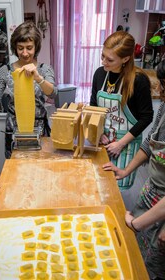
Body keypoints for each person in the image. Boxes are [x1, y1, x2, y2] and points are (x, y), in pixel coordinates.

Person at [103, 59, 165, 279]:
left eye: (164, 85)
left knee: (155, 266)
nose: (159, 90)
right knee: (137, 256)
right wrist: (126, 170)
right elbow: (150, 143)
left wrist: (137, 223)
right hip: (152, 192)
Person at [0, 21, 57, 158]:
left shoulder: (44, 69)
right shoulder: (5, 71)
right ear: (15, 48)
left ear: (36, 47)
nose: (25, 53)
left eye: (29, 48)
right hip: (14, 132)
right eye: (20, 48)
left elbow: (52, 93)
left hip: (39, 130)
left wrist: (38, 78)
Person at [90, 31, 154, 190]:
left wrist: (120, 144)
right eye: (102, 56)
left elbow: (147, 117)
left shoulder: (138, 80)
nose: (104, 62)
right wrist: (99, 132)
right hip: (102, 141)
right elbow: (93, 106)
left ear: (125, 59)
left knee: (115, 191)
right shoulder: (99, 74)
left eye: (110, 59)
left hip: (125, 146)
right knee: (98, 185)